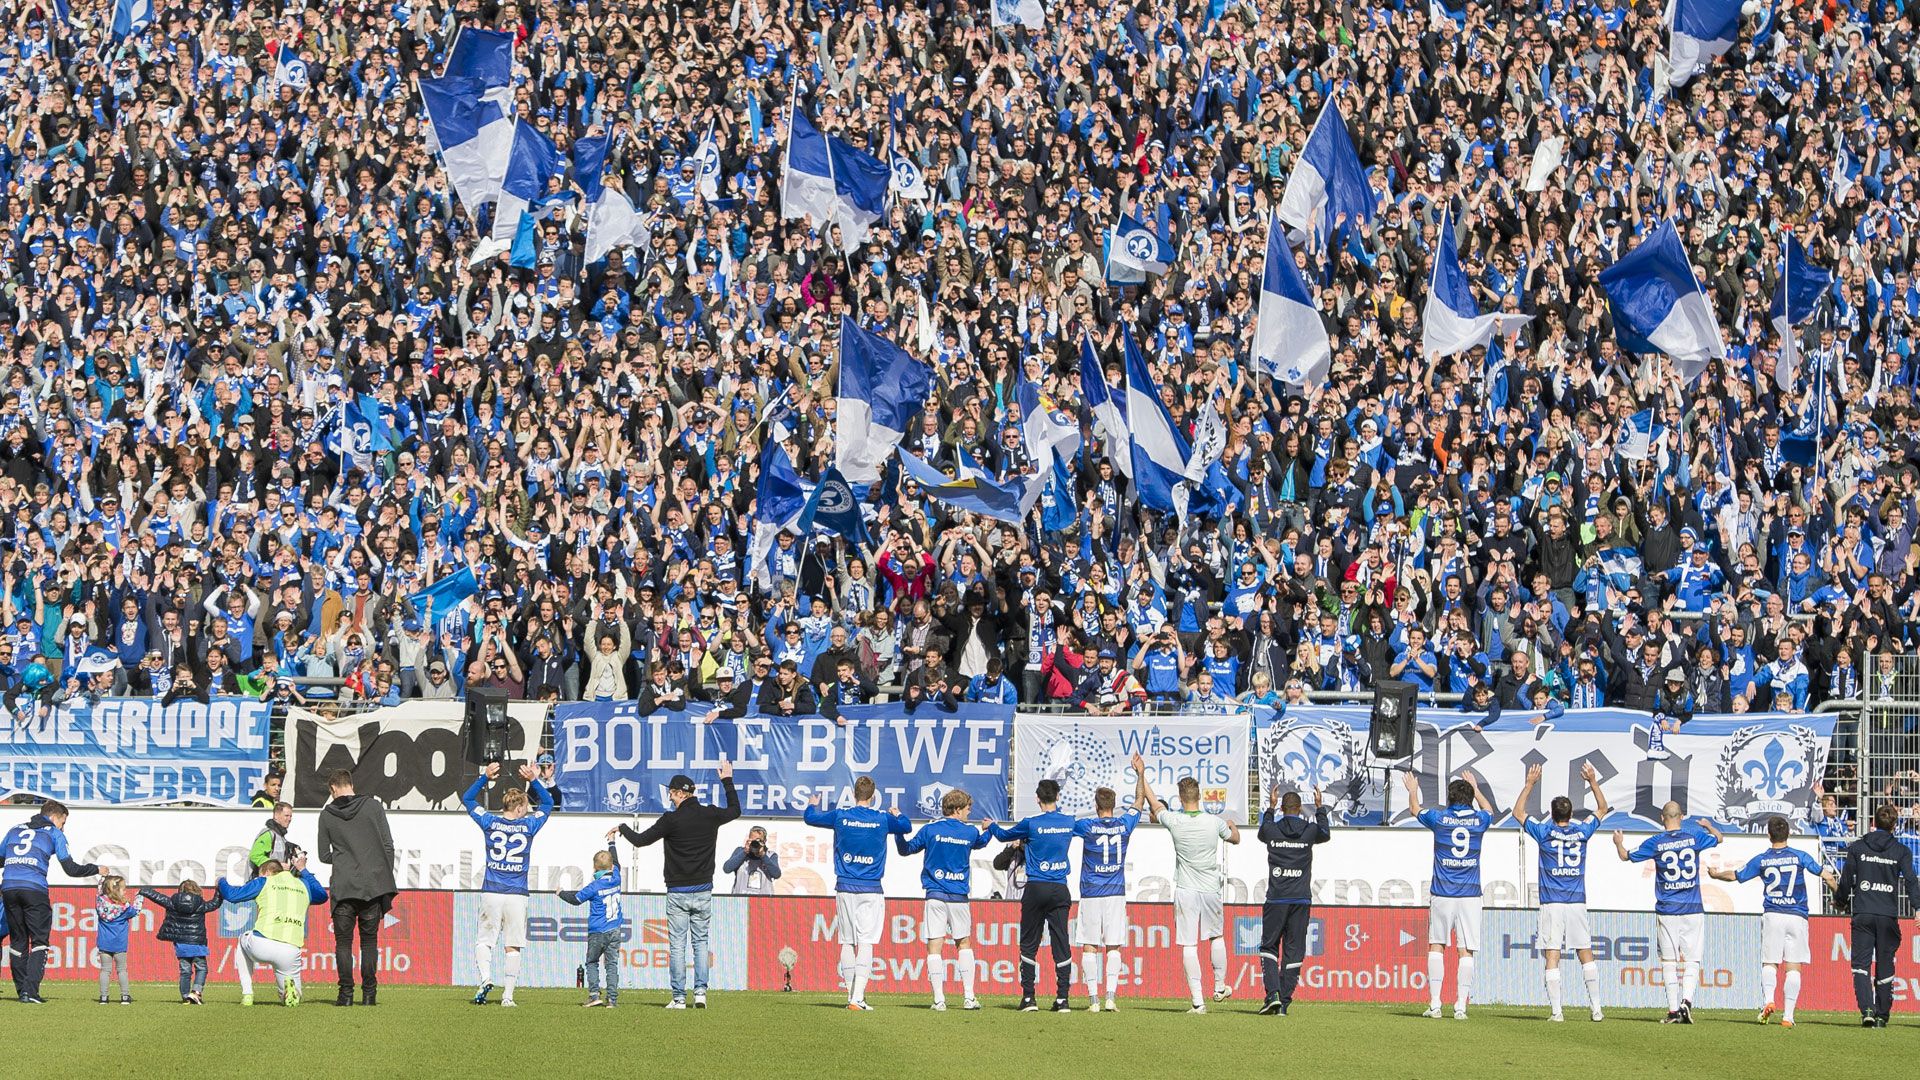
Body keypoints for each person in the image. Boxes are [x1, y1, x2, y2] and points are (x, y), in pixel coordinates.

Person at [616, 761, 741, 1008]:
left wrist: (622, 828)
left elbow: (640, 841)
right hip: (703, 890)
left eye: (671, 793)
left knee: (677, 946)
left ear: (679, 793)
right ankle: (701, 993)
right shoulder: (710, 814)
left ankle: (679, 997)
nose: (670, 797)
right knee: (701, 943)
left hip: (678, 892)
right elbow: (735, 810)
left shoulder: (671, 820)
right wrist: (727, 780)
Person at [1133, 752, 1241, 1013]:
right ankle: (1219, 986)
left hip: (1186, 890)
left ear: (1181, 799)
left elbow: (1153, 802)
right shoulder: (1214, 822)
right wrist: (1232, 826)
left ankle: (1197, 1001)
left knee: (1189, 944)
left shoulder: (1175, 820)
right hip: (1210, 888)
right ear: (1200, 796)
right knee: (1216, 936)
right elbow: (1235, 839)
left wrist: (1141, 773)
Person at [1708, 816, 1837, 1028]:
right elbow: (1827, 876)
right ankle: (1788, 1016)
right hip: (1797, 915)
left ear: (1769, 835)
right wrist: (1838, 897)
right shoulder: (1800, 856)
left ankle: (1768, 1000)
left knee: (1770, 962)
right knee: (1793, 966)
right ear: (1788, 834)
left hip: (1773, 915)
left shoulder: (1762, 859)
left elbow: (1735, 876)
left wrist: (1715, 875)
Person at [1511, 762, 1611, 1022]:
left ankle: (1557, 1011)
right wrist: (1592, 781)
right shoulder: (1581, 831)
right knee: (1585, 953)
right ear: (1571, 813)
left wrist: (1530, 784)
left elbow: (1518, 812)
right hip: (1577, 901)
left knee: (1552, 954)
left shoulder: (1544, 832)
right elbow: (1602, 808)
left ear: (1552, 814)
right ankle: (1597, 1009)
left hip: (1552, 902)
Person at [804, 776, 911, 1010]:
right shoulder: (881, 818)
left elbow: (810, 818)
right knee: (866, 942)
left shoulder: (841, 815)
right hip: (871, 888)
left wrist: (812, 803)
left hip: (844, 886)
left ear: (854, 794)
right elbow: (907, 827)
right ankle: (858, 997)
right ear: (873, 797)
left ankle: (851, 995)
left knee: (846, 941)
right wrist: (897, 814)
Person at [1614, 803, 1725, 1024]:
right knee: (1692, 959)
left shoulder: (1656, 842)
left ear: (1662, 818)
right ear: (1681, 817)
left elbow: (1626, 856)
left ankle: (1673, 1011)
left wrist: (1619, 843)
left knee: (1668, 961)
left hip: (1667, 908)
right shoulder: (1694, 837)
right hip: (1693, 907)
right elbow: (1720, 838)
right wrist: (1709, 826)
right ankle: (1687, 1001)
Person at [1403, 770, 1494, 1020]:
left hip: (1443, 892)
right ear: (1470, 798)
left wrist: (1412, 789)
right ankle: (1461, 1007)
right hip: (1470, 894)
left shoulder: (1440, 818)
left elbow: (1414, 809)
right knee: (1466, 950)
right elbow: (1490, 811)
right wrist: (1477, 790)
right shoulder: (1479, 820)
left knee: (1437, 945)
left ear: (1450, 798)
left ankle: (1434, 1004)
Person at [463, 761, 555, 1008]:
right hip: (517, 895)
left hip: (491, 892)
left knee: (484, 941)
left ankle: (485, 979)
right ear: (517, 808)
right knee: (512, 946)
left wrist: (484, 778)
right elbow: (548, 804)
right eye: (525, 807)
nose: (527, 810)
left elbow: (468, 799)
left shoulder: (489, 822)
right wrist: (534, 780)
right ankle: (508, 997)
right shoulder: (528, 825)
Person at [895, 788, 994, 1010]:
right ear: (957, 810)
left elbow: (906, 849)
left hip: (936, 896)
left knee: (934, 946)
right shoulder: (968, 832)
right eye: (968, 808)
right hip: (958, 896)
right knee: (964, 943)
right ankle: (969, 997)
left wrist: (897, 831)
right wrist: (987, 830)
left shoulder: (930, 830)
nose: (970, 812)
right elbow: (981, 842)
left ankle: (939, 999)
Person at [991, 779, 1079, 1012]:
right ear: (1058, 797)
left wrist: (990, 826)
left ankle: (1029, 998)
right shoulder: (1068, 822)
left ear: (1037, 799)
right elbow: (1087, 831)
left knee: (1029, 942)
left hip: (1036, 886)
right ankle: (1063, 999)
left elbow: (1002, 835)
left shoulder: (1031, 823)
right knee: (1061, 941)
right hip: (1060, 888)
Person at [2, 799, 101, 1003]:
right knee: (39, 942)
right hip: (34, 889)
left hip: (9, 888)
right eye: (63, 822)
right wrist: (97, 869)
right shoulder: (54, 833)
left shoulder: (14, 830)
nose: (63, 827)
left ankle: (22, 991)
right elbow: (71, 869)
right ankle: (31, 992)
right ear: (55, 817)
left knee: (18, 940)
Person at [316, 768, 398, 1007]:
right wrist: (380, 872)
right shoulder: (373, 807)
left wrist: (343, 860)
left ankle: (345, 995)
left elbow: (323, 855)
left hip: (343, 886)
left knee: (343, 943)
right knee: (369, 942)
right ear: (350, 784)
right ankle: (370, 995)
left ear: (333, 788)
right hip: (372, 885)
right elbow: (388, 846)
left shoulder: (327, 815)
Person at [1832, 803, 1920, 1027]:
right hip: (1887, 915)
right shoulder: (1901, 850)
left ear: (1873, 822)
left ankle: (1867, 1011)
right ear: (1895, 825)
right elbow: (1910, 880)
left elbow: (1847, 877)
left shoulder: (1858, 848)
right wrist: (1917, 908)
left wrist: (1841, 901)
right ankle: (1882, 1015)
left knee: (1861, 965)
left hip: (1863, 912)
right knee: (1885, 965)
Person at [217, 846, 329, 1007]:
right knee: (291, 997)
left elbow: (232, 896)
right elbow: (323, 895)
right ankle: (290, 991)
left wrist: (221, 881)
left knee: (242, 939)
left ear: (267, 872)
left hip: (262, 942)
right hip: (291, 950)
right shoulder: (303, 884)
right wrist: (303, 870)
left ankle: (247, 993)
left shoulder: (265, 881)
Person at [1255, 785, 1331, 1016]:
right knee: (1293, 951)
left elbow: (1261, 832)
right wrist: (1320, 808)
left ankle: (1273, 995)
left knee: (1269, 947)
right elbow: (1325, 834)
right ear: (1299, 809)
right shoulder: (1309, 831)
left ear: (1281, 807)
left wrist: (1269, 808)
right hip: (1300, 900)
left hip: (1276, 899)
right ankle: (1284, 1003)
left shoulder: (1271, 830)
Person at [1073, 785, 1142, 1012]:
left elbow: (1064, 827)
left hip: (1091, 892)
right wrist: (1140, 775)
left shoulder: (1086, 826)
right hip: (1115, 893)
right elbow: (1139, 804)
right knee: (1113, 946)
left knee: (1089, 947)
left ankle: (1093, 1000)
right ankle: (1111, 998)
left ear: (1096, 805)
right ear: (1113, 805)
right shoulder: (1124, 824)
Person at [558, 840, 624, 1008]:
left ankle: (594, 995)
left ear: (595, 868)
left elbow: (576, 899)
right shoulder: (616, 877)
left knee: (592, 962)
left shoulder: (594, 886)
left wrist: (560, 893)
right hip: (615, 929)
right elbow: (616, 861)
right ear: (611, 867)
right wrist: (612, 842)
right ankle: (612, 999)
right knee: (611, 965)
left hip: (597, 931)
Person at [139, 879, 223, 1005]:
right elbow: (215, 904)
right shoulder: (200, 904)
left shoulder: (172, 902)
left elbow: (158, 897)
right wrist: (219, 889)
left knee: (185, 971)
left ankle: (185, 997)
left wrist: (144, 891)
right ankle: (196, 992)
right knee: (201, 968)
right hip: (197, 943)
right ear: (196, 890)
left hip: (181, 944)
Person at [93, 875, 143, 1006]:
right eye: (123, 889)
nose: (125, 891)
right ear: (117, 891)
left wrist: (102, 878)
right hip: (120, 944)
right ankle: (125, 996)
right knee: (121, 970)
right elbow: (136, 911)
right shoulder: (125, 908)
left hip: (104, 943)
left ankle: (104, 997)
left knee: (105, 970)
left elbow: (99, 891)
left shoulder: (99, 903)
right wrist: (139, 897)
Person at [722, 825, 783, 895]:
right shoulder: (740, 851)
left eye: (758, 841)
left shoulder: (770, 855)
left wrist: (763, 856)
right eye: (752, 840)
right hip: (740, 899)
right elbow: (727, 869)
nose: (755, 844)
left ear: (765, 841)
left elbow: (777, 874)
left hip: (763, 901)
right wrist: (745, 852)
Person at [250, 801, 293, 877]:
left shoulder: (281, 836)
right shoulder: (268, 834)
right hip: (263, 882)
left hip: (274, 881)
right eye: (286, 815)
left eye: (290, 816)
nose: (289, 819)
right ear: (276, 816)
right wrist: (277, 866)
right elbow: (255, 856)